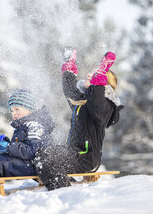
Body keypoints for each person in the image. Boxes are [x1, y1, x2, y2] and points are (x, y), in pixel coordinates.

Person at [33, 47, 123, 191]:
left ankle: (62, 192)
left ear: (103, 82)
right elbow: (70, 90)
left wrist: (102, 70)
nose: (88, 74)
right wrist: (69, 66)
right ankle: (64, 184)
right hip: (74, 152)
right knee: (42, 153)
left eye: (93, 74)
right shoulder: (83, 101)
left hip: (87, 157)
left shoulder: (106, 107)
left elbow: (96, 103)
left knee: (47, 157)